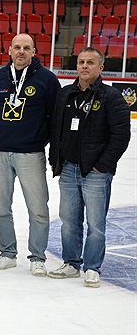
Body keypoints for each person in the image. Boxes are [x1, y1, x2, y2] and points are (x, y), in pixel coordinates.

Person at [47, 48, 131, 288]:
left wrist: (101, 166)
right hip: (69, 169)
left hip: (95, 173)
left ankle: (92, 267)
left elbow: (121, 137)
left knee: (95, 223)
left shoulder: (112, 97)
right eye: (81, 62)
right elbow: (56, 131)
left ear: (101, 67)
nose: (84, 66)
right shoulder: (65, 95)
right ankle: (71, 263)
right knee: (69, 220)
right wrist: (57, 161)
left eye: (90, 63)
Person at [0, 34, 61, 274]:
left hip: (31, 153)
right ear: (9, 50)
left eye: (26, 48)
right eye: (17, 47)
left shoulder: (47, 80)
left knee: (38, 208)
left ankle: (37, 257)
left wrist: (41, 142)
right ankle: (7, 253)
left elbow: (55, 119)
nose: (21, 52)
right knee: (1, 206)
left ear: (34, 51)